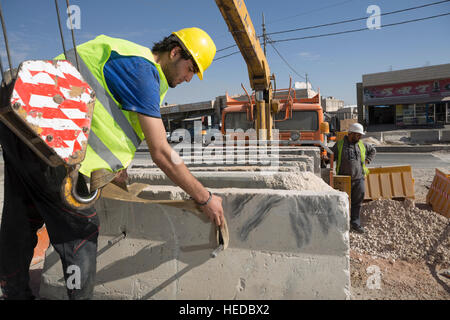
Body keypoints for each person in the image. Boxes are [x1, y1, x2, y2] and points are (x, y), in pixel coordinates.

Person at [0, 28, 224, 300]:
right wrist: (204, 197)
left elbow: (104, 115)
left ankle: (14, 293)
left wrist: (113, 164)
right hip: (51, 135)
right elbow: (162, 152)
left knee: (22, 215)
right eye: (190, 69)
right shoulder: (144, 71)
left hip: (22, 119)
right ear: (174, 52)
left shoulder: (125, 56)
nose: (189, 78)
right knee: (79, 230)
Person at [329, 123, 376, 234]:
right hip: (343, 179)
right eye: (358, 135)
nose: (360, 137)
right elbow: (331, 157)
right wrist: (325, 159)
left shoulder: (362, 145)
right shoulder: (339, 145)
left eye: (360, 135)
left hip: (359, 178)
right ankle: (341, 223)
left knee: (357, 202)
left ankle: (355, 224)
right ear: (351, 134)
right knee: (342, 202)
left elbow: (373, 151)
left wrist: (367, 160)